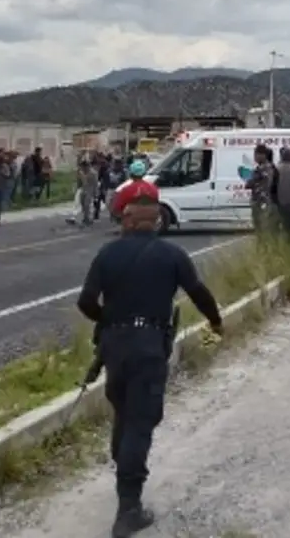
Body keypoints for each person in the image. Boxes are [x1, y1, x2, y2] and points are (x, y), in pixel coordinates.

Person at [76, 197, 224, 538]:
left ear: (128, 220)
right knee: (141, 422)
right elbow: (198, 292)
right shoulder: (172, 255)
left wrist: (109, 320)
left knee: (124, 412)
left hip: (114, 346)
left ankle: (124, 468)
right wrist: (215, 321)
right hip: (148, 346)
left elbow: (86, 302)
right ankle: (128, 510)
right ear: (156, 222)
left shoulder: (107, 253)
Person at [248, 144, 275, 232]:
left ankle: (264, 245)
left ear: (262, 155)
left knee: (262, 228)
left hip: (262, 202)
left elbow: (267, 184)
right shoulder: (263, 167)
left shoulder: (265, 168)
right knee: (260, 228)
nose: (254, 157)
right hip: (261, 201)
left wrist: (251, 183)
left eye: (256, 154)